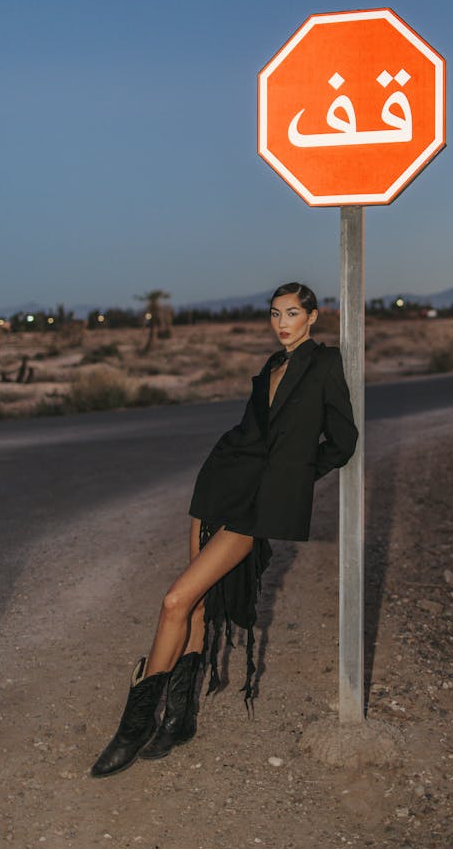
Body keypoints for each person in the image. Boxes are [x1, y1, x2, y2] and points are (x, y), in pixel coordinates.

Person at [90, 282, 357, 778]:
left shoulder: (325, 365)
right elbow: (249, 433)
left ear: (314, 317)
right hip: (220, 484)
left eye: (293, 313)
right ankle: (180, 719)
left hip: (257, 504)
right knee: (196, 606)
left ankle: (132, 727)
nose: (282, 323)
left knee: (174, 599)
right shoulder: (270, 367)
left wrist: (292, 481)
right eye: (275, 313)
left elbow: (343, 441)